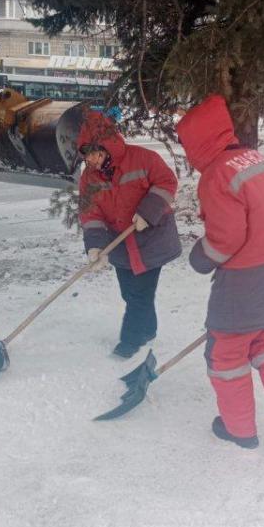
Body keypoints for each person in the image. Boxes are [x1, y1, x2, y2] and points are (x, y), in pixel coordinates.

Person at [176, 94, 264, 449]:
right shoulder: (256, 159)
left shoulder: (217, 174)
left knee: (227, 354)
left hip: (247, 282)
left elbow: (227, 238)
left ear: (197, 143)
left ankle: (239, 429)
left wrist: (200, 257)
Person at [77, 111, 182, 358]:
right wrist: (95, 246)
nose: (91, 160)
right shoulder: (88, 178)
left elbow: (167, 182)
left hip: (152, 239)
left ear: (107, 146)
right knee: (129, 293)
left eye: (95, 153)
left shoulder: (144, 159)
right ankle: (148, 329)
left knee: (139, 295)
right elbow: (90, 212)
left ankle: (130, 341)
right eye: (86, 154)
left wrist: (148, 212)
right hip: (121, 244)